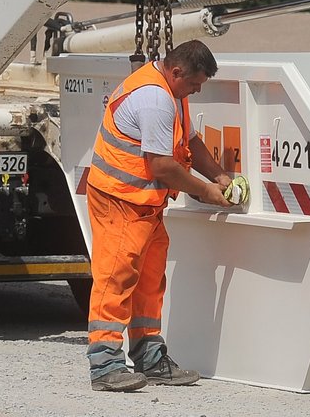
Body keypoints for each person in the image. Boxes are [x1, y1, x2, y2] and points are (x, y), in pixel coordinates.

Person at [84, 39, 235, 392]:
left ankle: (149, 357)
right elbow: (162, 165)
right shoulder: (154, 98)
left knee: (149, 281)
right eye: (195, 83)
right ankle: (105, 365)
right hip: (120, 200)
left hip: (143, 205)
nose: (197, 90)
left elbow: (190, 144)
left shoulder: (173, 93)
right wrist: (206, 191)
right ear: (177, 70)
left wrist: (218, 174)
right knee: (115, 278)